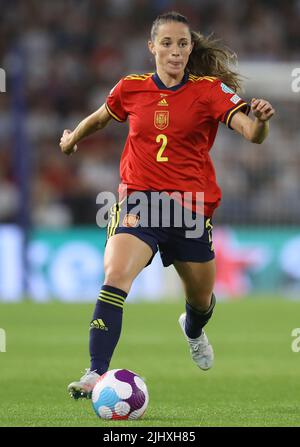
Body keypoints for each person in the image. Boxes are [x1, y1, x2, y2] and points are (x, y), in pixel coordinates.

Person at [59, 11, 275, 399]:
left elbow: (251, 133)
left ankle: (193, 330)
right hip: (137, 201)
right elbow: (101, 118)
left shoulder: (208, 90)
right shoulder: (131, 87)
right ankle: (95, 373)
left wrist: (259, 122)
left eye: (182, 44)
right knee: (115, 278)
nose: (175, 51)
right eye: (167, 43)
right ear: (152, 47)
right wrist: (73, 137)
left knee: (201, 301)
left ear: (190, 49)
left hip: (190, 209)